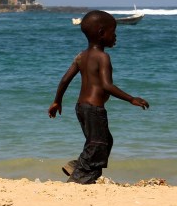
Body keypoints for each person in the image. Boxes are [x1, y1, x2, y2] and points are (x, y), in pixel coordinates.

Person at [48, 10, 149, 184]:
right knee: (98, 144)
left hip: (81, 107)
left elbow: (65, 79)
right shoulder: (103, 57)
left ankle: (76, 165)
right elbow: (106, 85)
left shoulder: (81, 56)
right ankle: (80, 176)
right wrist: (131, 99)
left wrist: (57, 101)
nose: (116, 36)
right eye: (113, 32)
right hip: (94, 109)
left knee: (102, 141)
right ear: (102, 33)